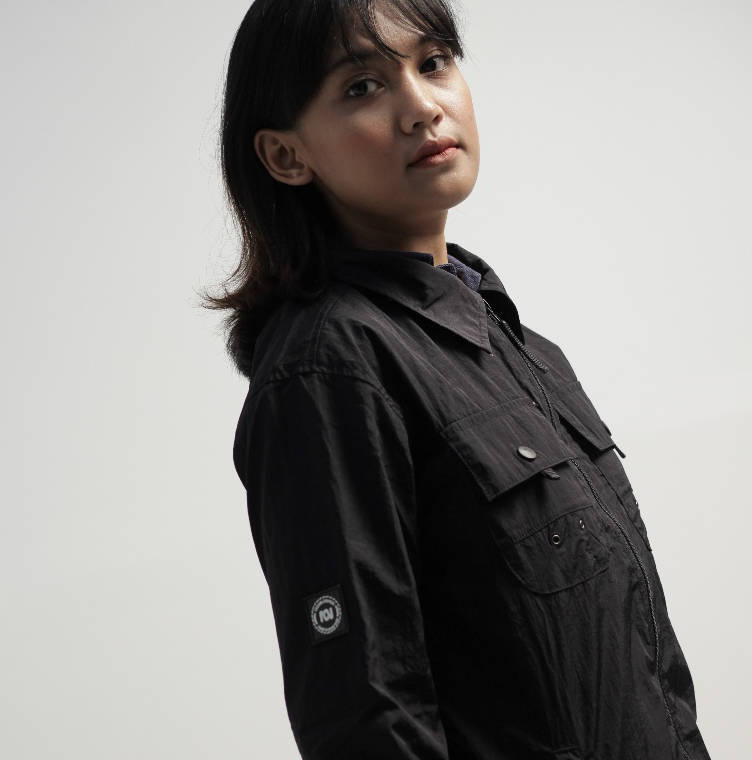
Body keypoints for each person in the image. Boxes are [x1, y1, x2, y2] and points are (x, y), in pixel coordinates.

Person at [209, 0, 712, 758]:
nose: (422, 106)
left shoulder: (523, 347)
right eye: (361, 87)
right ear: (286, 155)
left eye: (434, 63)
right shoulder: (331, 369)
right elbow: (366, 717)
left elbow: (647, 670)